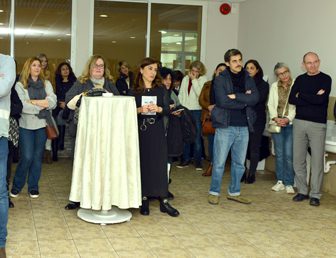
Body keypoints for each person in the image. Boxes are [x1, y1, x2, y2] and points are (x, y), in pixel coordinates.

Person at [64, 55, 119, 210]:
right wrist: (84, 95)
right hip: (85, 132)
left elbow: (119, 102)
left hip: (105, 133)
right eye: (95, 66)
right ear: (89, 68)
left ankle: (101, 197)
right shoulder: (81, 82)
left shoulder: (110, 84)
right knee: (82, 165)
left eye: (101, 66)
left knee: (102, 166)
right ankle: (77, 198)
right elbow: (68, 101)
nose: (98, 68)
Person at [208, 49, 259, 205]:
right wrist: (245, 100)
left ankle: (234, 192)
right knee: (219, 162)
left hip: (244, 126)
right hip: (225, 126)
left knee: (239, 163)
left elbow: (255, 98)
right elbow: (223, 102)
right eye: (235, 61)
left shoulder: (248, 77)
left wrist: (236, 96)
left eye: (240, 60)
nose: (238, 64)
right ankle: (214, 192)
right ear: (227, 63)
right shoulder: (220, 79)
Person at [129, 58, 179, 217]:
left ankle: (164, 201)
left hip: (157, 130)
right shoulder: (134, 91)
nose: (152, 72)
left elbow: (167, 109)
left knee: (159, 164)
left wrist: (158, 108)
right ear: (141, 70)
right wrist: (139, 109)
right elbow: (126, 112)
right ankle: (143, 198)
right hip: (141, 131)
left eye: (155, 69)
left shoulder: (161, 89)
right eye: (149, 68)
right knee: (143, 164)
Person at [9, 57, 56, 199]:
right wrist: (42, 104)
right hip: (26, 126)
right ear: (28, 68)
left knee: (37, 158)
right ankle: (17, 186)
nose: (37, 68)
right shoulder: (20, 85)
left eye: (39, 66)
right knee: (27, 157)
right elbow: (23, 107)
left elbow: (52, 101)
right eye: (33, 65)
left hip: (42, 125)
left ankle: (33, 187)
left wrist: (34, 102)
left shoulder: (46, 83)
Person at [289, 52, 332, 206]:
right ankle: (302, 191)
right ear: (303, 64)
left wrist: (302, 96)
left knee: (317, 161)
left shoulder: (326, 79)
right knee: (298, 159)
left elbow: (321, 100)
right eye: (309, 62)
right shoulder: (300, 79)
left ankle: (315, 194)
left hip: (317, 125)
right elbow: (291, 98)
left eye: (315, 62)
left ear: (319, 62)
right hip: (299, 123)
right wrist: (312, 97)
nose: (312, 65)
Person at [267, 63, 296, 194]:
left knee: (289, 155)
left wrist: (288, 119)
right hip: (277, 124)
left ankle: (289, 182)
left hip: (290, 124)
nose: (284, 75)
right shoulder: (274, 86)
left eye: (285, 72)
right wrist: (275, 118)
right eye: (280, 73)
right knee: (279, 154)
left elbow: (295, 106)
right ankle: (280, 181)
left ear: (289, 71)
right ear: (277, 75)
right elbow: (270, 104)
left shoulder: (296, 84)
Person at [242, 60, 269, 183]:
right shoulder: (242, 82)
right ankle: (242, 171)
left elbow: (258, 99)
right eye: (247, 68)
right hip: (243, 117)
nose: (249, 70)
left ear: (257, 70)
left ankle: (252, 173)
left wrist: (248, 96)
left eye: (252, 68)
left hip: (258, 119)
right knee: (242, 147)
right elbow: (238, 98)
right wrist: (247, 96)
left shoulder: (263, 84)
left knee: (254, 147)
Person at [177, 61, 207, 170]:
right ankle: (185, 160)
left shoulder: (203, 80)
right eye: (192, 71)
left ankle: (198, 162)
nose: (194, 73)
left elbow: (200, 94)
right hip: (185, 110)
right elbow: (181, 94)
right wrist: (180, 107)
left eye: (196, 71)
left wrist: (194, 80)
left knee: (197, 136)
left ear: (200, 72)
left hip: (196, 111)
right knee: (186, 136)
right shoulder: (185, 79)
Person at [0, 53, 16, 258]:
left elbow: (3, 89)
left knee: (0, 192)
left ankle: (0, 242)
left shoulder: (7, 61)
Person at [198, 63, 226, 177]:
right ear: (215, 71)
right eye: (220, 70)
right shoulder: (207, 84)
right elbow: (201, 99)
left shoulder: (227, 86)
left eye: (224, 71)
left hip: (222, 118)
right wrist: (208, 106)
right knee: (211, 143)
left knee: (220, 144)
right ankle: (212, 164)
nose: (221, 73)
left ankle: (216, 165)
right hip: (209, 118)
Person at [52, 62, 77, 161]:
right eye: (63, 69)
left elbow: (76, 96)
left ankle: (61, 141)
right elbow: (54, 96)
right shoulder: (56, 82)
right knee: (56, 119)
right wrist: (59, 103)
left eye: (67, 68)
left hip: (70, 107)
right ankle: (55, 153)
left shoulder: (75, 82)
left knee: (61, 117)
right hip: (58, 106)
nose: (65, 70)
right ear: (60, 71)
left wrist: (66, 104)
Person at [37, 53, 55, 164]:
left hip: (48, 105)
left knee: (48, 129)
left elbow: (51, 92)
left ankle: (47, 153)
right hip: (35, 107)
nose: (44, 63)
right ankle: (40, 154)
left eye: (45, 61)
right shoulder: (33, 73)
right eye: (41, 61)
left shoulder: (49, 75)